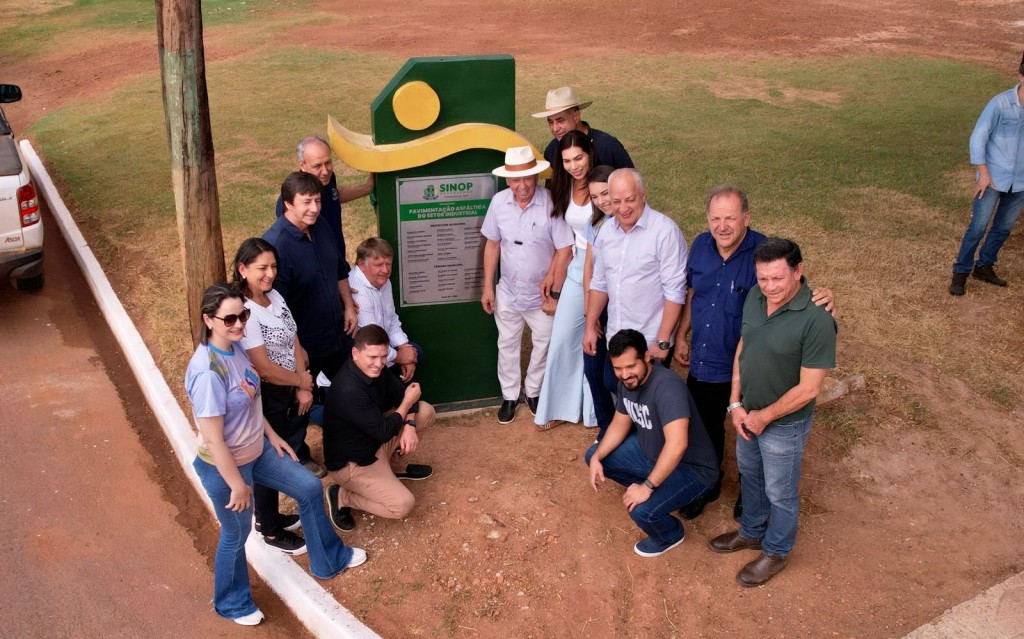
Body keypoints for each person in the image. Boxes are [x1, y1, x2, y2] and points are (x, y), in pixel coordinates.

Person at [186, 283, 365, 626]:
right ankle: (232, 603)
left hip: (259, 450)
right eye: (229, 319)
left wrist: (272, 436)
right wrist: (237, 485)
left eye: (243, 315)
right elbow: (214, 439)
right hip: (225, 468)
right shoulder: (208, 372)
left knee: (308, 487)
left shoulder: (236, 348)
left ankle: (329, 560)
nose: (239, 324)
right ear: (209, 320)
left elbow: (250, 399)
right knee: (236, 535)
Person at [673, 186, 834, 521]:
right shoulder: (700, 246)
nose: (722, 226)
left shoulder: (762, 252)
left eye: (730, 218)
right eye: (715, 218)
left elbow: (789, 286)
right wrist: (681, 335)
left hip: (749, 365)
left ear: (746, 217)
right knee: (704, 427)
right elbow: (693, 293)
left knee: (753, 432)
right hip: (705, 356)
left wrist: (825, 297)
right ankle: (707, 482)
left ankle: (751, 494)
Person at [708, 238, 836, 588]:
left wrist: (763, 417)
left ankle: (777, 550)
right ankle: (751, 531)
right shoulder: (755, 296)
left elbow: (809, 389)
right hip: (747, 414)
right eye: (763, 278)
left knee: (780, 491)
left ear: (798, 271)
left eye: (777, 278)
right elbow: (744, 346)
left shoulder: (817, 319)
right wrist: (736, 403)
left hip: (783, 425)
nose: (769, 287)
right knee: (751, 476)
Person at [585, 329, 719, 558]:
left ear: (647, 357)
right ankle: (662, 488)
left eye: (630, 366)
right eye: (618, 368)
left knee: (642, 511)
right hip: (652, 454)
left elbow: (677, 445)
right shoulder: (627, 382)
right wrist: (597, 457)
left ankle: (670, 534)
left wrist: (647, 487)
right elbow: (619, 424)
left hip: (692, 469)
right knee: (594, 456)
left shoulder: (667, 387)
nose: (625, 374)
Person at [233, 238, 320, 555]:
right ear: (243, 269)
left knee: (281, 450)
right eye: (262, 268)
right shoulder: (245, 311)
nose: (269, 274)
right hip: (268, 394)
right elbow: (264, 368)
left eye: (273, 266)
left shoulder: (275, 295)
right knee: (270, 458)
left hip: (291, 386)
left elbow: (293, 337)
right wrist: (301, 381)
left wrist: (302, 383)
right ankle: (269, 529)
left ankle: (268, 516)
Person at [481, 146, 574, 424]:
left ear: (536, 177)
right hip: (508, 291)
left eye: (528, 178)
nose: (522, 186)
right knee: (507, 345)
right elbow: (493, 244)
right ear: (507, 180)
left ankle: (533, 391)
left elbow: (564, 249)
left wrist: (554, 291)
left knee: (543, 344)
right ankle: (510, 395)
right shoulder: (498, 203)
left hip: (541, 295)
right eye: (515, 180)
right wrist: (488, 286)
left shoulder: (551, 203)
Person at [321, 325, 435, 532]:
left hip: (375, 441)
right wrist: (407, 403)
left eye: (383, 356)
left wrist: (410, 424)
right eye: (372, 357)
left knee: (425, 411)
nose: (379, 363)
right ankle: (342, 496)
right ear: (355, 353)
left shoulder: (377, 370)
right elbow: (386, 430)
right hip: (354, 463)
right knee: (401, 505)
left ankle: (396, 468)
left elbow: (403, 395)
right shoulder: (349, 388)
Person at [583, 168, 687, 386]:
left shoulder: (665, 231)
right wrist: (590, 326)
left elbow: (675, 291)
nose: (623, 208)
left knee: (647, 402)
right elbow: (600, 283)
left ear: (643, 194)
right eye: (616, 201)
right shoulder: (606, 232)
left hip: (650, 341)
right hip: (616, 337)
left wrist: (663, 340)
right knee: (613, 386)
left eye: (630, 199)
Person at [263, 171, 356, 401]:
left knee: (357, 392)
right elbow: (274, 309)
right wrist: (297, 351)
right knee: (300, 407)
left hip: (338, 335)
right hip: (305, 348)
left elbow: (339, 269)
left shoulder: (321, 225)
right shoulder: (275, 246)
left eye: (317, 200)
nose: (314, 208)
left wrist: (349, 306)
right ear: (288, 204)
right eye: (306, 202)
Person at [534, 131, 599, 432]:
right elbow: (566, 240)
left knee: (597, 340)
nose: (574, 166)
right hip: (577, 266)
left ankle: (596, 411)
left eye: (579, 158)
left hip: (603, 267)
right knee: (562, 338)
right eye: (568, 161)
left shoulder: (602, 184)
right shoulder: (563, 185)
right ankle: (560, 407)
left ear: (589, 154)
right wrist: (553, 274)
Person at [949, 52, 1024, 296]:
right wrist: (983, 173)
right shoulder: (1000, 103)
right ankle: (961, 273)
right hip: (992, 179)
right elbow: (978, 137)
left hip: (1020, 182)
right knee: (978, 227)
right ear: (1021, 75)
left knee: (1003, 228)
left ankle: (984, 266)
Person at [275, 135, 374, 257]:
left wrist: (366, 188)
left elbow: (334, 195)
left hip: (337, 254)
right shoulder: (291, 201)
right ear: (302, 166)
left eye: (328, 162)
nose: (325, 171)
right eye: (317, 166)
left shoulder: (327, 179)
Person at [349, 237, 421, 382]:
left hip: (383, 347)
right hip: (367, 354)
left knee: (415, 350)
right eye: (379, 265)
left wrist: (404, 347)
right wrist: (400, 357)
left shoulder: (383, 280)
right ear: (361, 265)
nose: (385, 270)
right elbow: (371, 341)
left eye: (388, 264)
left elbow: (391, 318)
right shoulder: (358, 291)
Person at [581, 165, 618, 440]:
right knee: (593, 369)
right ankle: (606, 425)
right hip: (599, 303)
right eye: (595, 197)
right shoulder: (595, 223)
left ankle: (626, 426)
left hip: (623, 305)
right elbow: (589, 269)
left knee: (612, 376)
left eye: (605, 193)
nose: (602, 201)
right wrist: (589, 314)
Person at [533, 86, 634, 170]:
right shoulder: (552, 150)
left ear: (576, 116)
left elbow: (631, 182)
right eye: (550, 122)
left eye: (560, 120)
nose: (555, 128)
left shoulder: (608, 146)